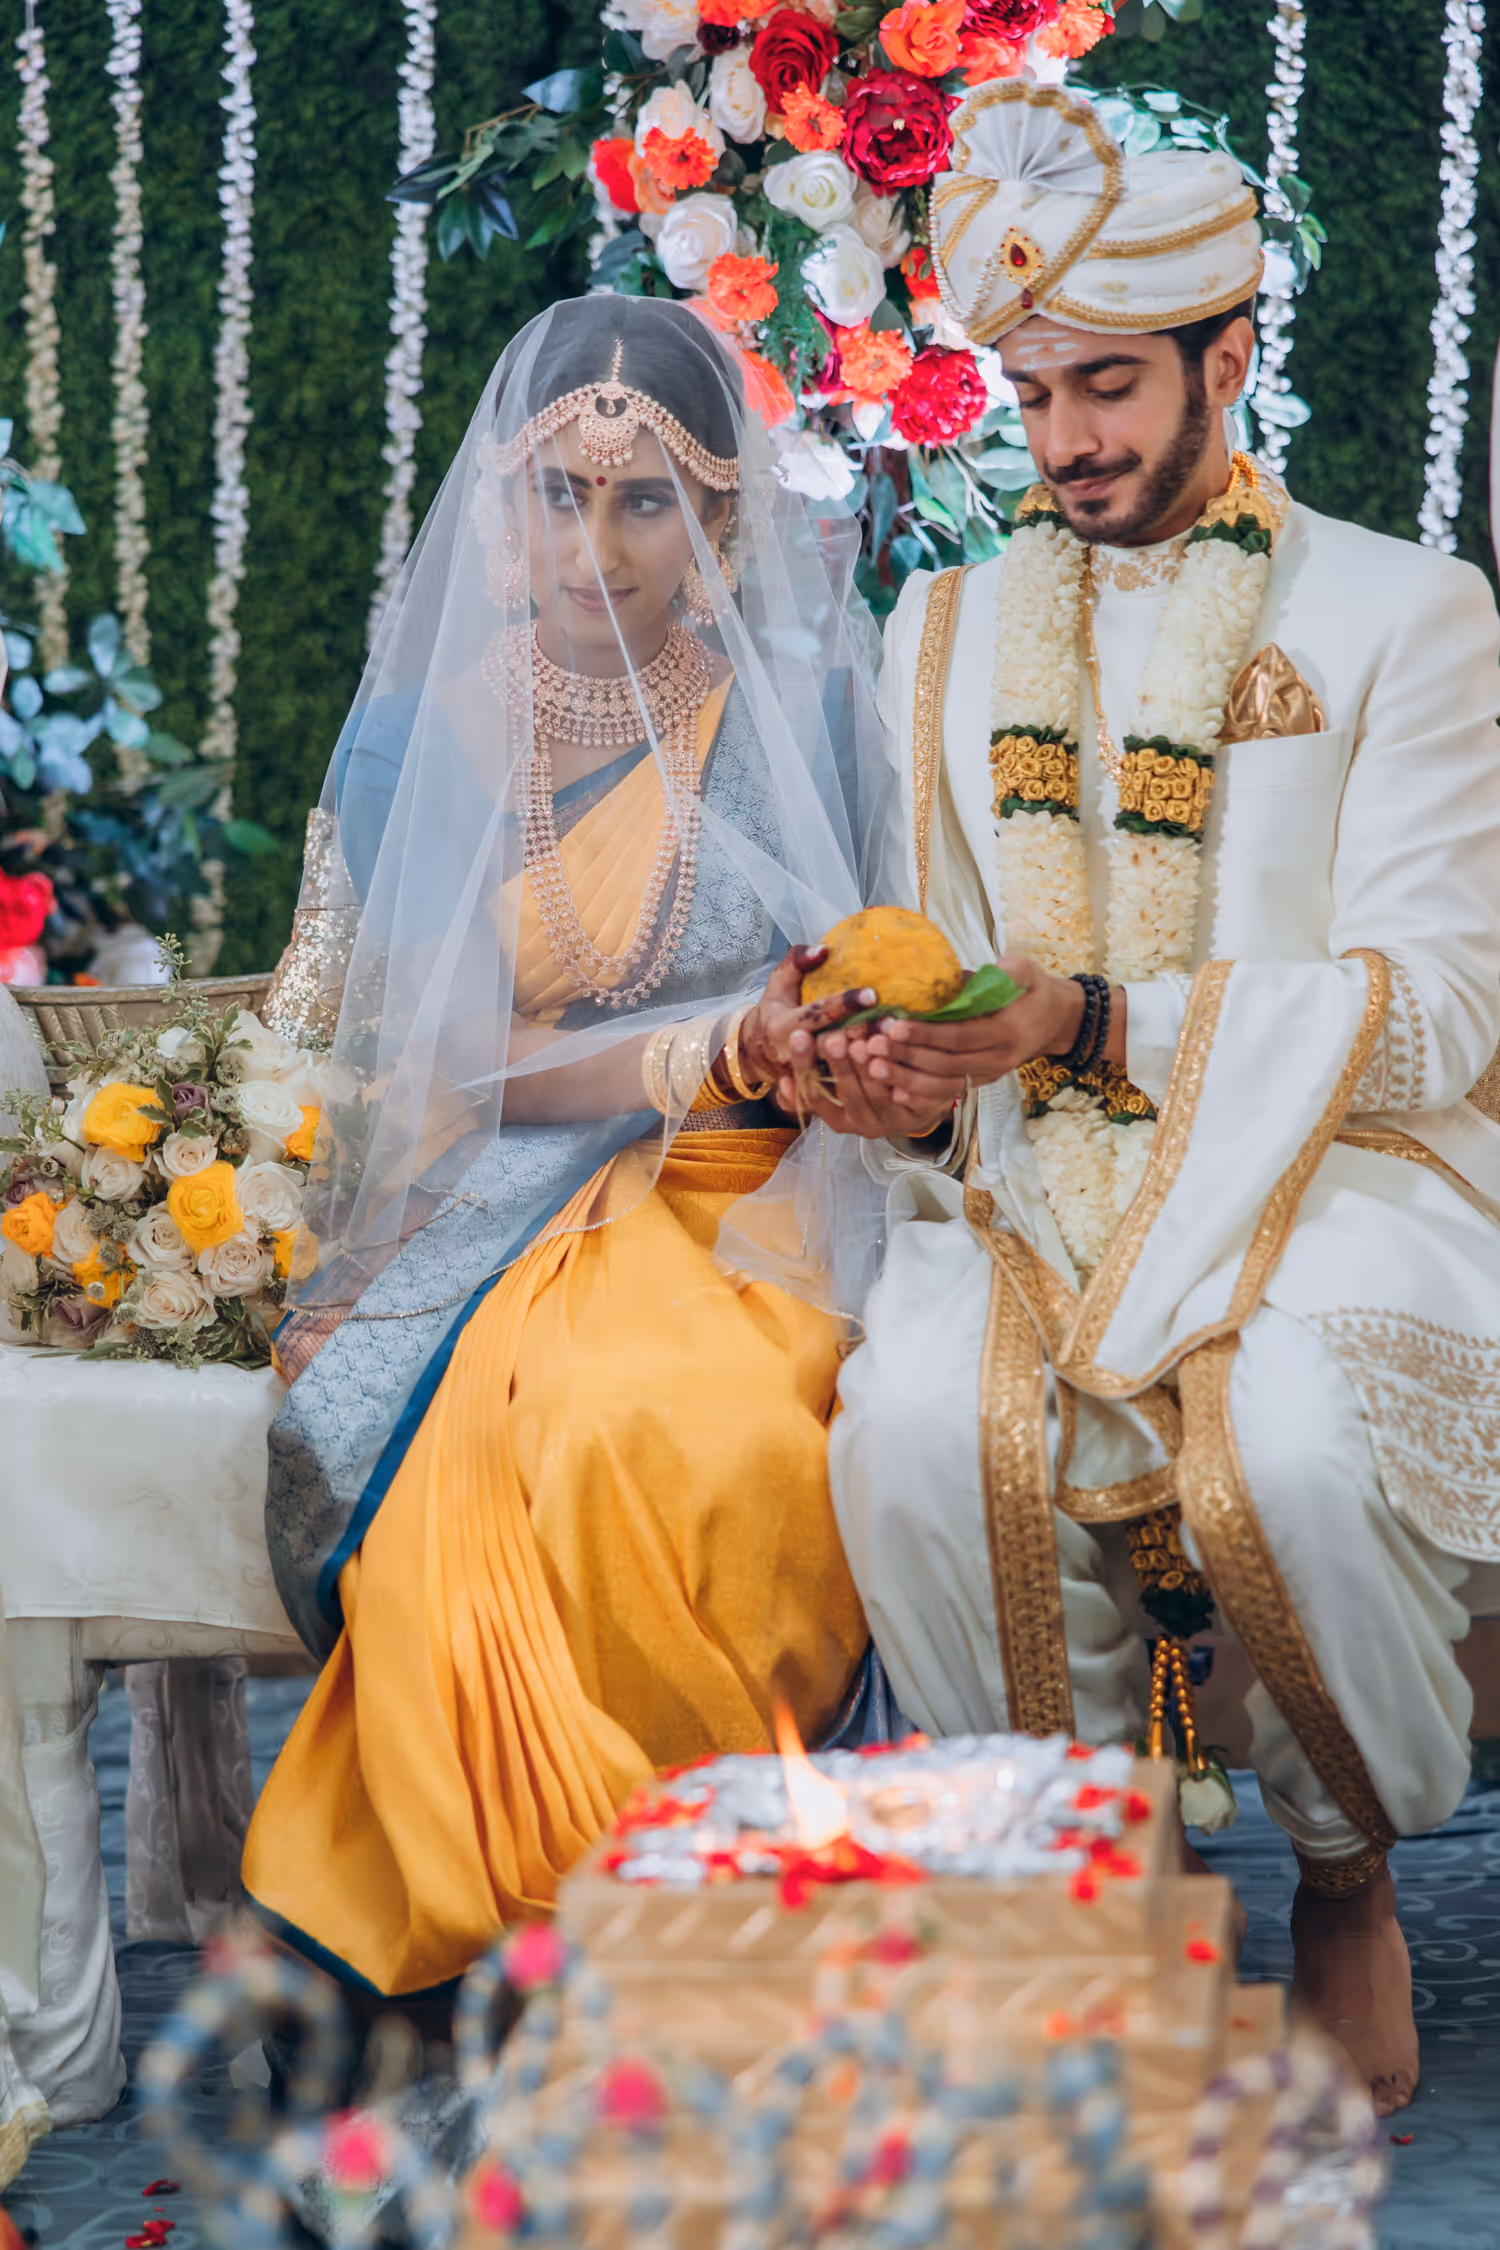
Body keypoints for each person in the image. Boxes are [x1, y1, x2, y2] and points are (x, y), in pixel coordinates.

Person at [795, 80, 1500, 2115]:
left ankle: (1348, 1874)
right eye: (1033, 399)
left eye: (1110, 388)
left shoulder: (1406, 613)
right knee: (918, 1426)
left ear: (1232, 358)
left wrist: (1099, 1022)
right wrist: (896, 1067)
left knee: (1274, 1446)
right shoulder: (939, 631)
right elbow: (935, 962)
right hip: (1022, 1183)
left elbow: (1443, 1011)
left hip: (1335, 1167)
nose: (1070, 446)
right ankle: (1111, 1891)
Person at [241, 297, 887, 2000]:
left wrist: (792, 1048)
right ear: (501, 502)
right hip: (499, 1183)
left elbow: (874, 973)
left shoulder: (792, 721)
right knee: (579, 1422)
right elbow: (460, 1059)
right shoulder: (425, 734)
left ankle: (689, 1902)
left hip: (756, 1188)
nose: (594, 547)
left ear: (726, 517)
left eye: (647, 498)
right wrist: (690, 1044)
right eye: (556, 492)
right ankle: (546, 1907)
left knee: (727, 1435)